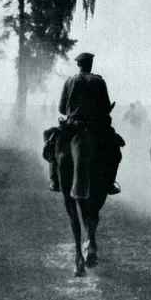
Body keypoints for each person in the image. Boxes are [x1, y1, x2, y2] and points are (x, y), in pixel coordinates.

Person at [46, 52, 122, 197]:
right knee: (114, 150)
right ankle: (110, 184)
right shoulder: (100, 82)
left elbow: (62, 109)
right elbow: (106, 107)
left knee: (52, 144)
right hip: (96, 128)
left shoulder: (70, 81)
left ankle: (55, 181)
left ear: (78, 65)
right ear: (91, 64)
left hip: (73, 127)